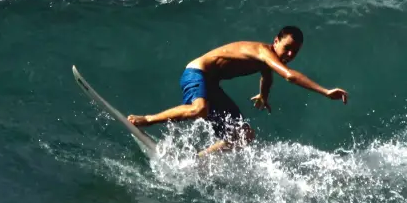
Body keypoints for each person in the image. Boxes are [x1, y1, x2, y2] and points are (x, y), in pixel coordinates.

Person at [127, 26, 348, 156]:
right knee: (200, 109)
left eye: (295, 52)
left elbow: (267, 77)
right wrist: (325, 91)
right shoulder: (263, 51)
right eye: (287, 48)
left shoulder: (266, 61)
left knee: (245, 134)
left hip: (212, 85)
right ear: (276, 41)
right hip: (197, 72)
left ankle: (200, 159)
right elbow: (288, 75)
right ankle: (146, 119)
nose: (290, 54)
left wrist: (263, 95)